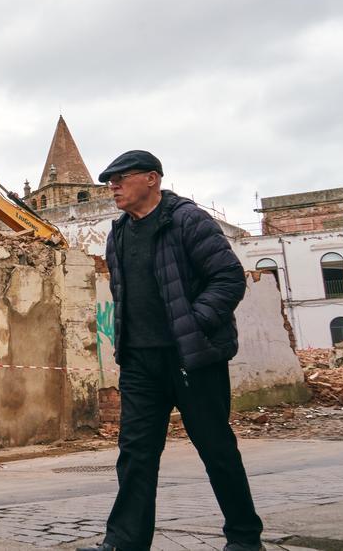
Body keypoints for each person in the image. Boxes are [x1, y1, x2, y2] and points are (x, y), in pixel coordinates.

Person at [78, 150, 263, 551]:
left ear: (152, 179)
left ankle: (246, 539)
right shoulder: (119, 233)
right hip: (141, 362)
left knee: (215, 447)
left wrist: (193, 323)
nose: (113, 186)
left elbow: (229, 278)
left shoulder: (188, 220)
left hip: (191, 357)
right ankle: (125, 542)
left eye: (122, 178)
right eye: (110, 180)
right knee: (136, 454)